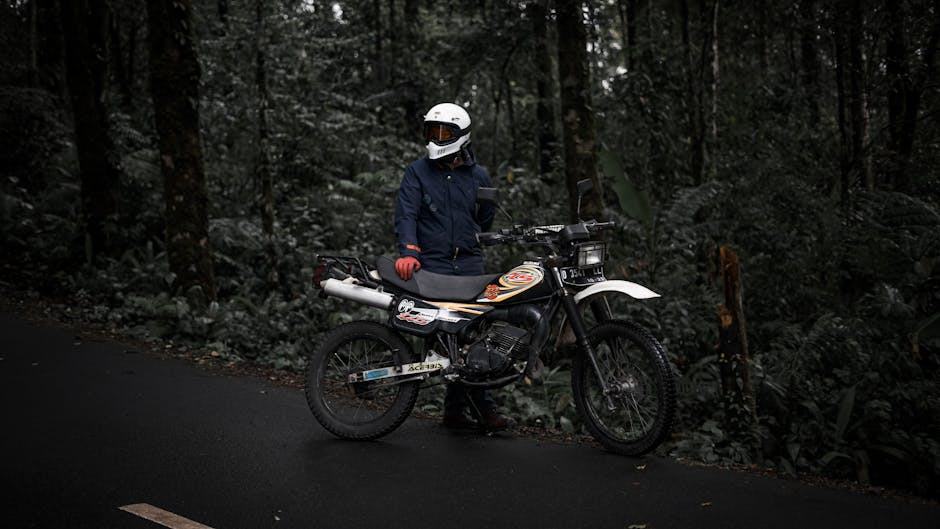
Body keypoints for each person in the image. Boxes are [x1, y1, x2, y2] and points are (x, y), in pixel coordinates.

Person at [393, 102, 511, 431]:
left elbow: (484, 220)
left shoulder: (478, 176)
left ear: (460, 136)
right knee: (445, 336)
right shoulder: (417, 171)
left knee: (474, 337)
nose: (435, 138)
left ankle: (455, 412)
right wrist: (408, 251)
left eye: (443, 133)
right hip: (433, 263)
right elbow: (407, 213)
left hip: (470, 262)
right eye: (431, 131)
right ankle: (482, 410)